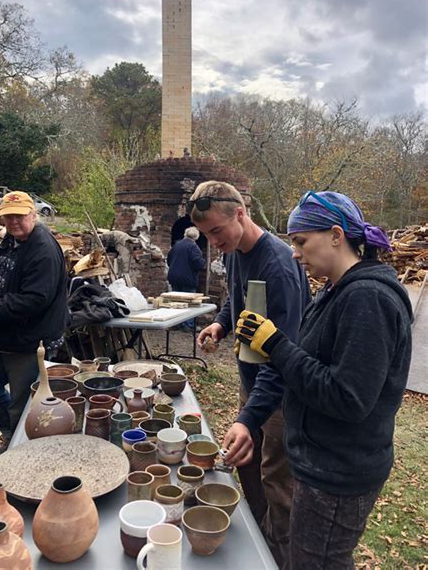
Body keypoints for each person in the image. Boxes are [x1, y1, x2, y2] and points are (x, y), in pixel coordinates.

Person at [235, 190, 412, 569]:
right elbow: (306, 362)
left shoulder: (367, 299)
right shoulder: (334, 291)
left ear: (336, 235)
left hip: (338, 474)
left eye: (300, 241)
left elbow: (348, 398)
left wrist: (277, 345)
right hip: (318, 464)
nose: (295, 253)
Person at [190, 181, 310, 568]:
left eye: (216, 232)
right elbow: (237, 300)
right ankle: (258, 542)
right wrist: (222, 325)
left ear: (240, 214)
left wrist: (248, 417)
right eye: (206, 235)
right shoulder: (235, 251)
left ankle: (279, 557)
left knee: (278, 483)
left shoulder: (279, 267)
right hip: (252, 385)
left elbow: (282, 358)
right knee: (248, 467)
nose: (212, 242)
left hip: (279, 396)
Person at [0, 191, 68, 455]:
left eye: (20, 215)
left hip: (29, 339)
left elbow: (35, 299)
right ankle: (11, 434)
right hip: (2, 334)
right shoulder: (10, 241)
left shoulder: (42, 249)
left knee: (22, 403)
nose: (14, 221)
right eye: (8, 216)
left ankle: (22, 452)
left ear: (33, 214)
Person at [167, 226, 205, 330]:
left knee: (176, 301)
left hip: (174, 276)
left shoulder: (176, 245)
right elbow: (197, 263)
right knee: (189, 301)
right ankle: (188, 324)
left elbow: (169, 260)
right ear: (196, 237)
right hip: (187, 279)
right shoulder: (194, 247)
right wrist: (203, 263)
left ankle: (177, 322)